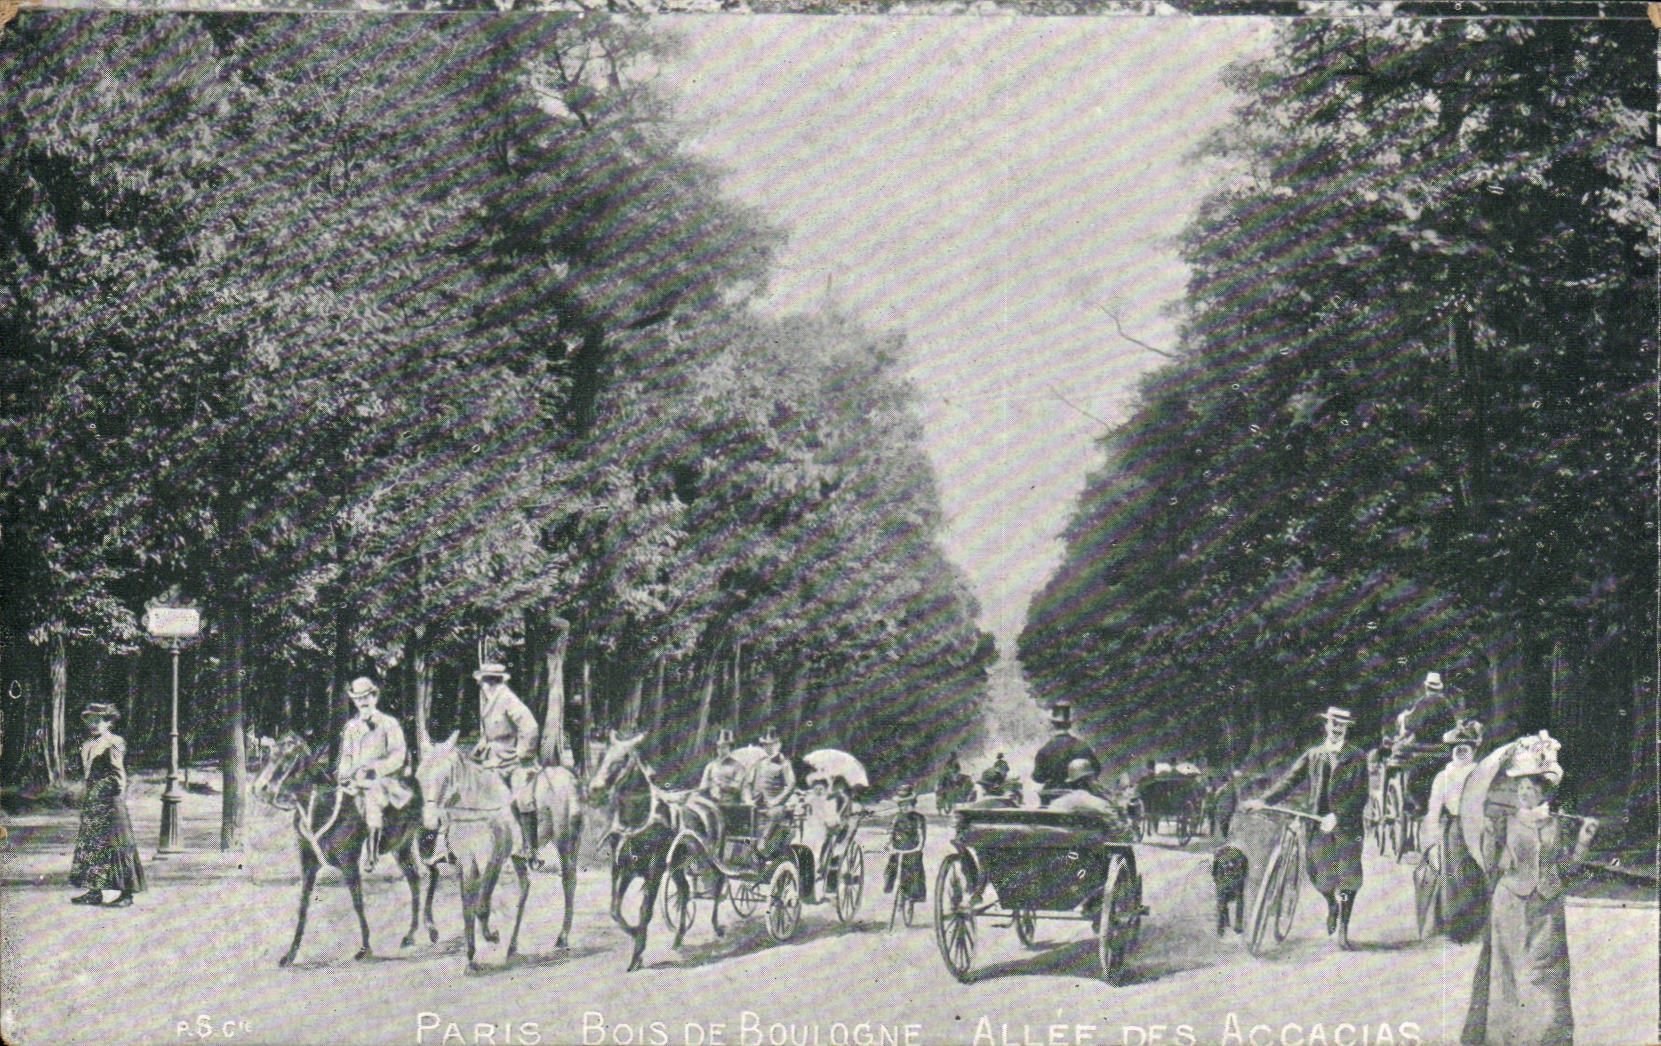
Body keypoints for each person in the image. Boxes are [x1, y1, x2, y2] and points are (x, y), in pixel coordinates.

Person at [1463, 732, 1596, 1046]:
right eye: (1519, 787)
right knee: (1506, 975)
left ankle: (1547, 1040)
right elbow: (1490, 864)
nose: (1523, 793)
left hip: (1547, 908)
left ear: (1543, 792)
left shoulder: (1557, 825)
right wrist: (1489, 837)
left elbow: (1567, 870)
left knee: (1546, 976)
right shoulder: (1504, 823)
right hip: (1509, 904)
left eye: (1530, 788)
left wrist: (1583, 843)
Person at [1242, 706, 1369, 949]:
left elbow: (1360, 794)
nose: (1336, 729)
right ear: (1326, 726)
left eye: (1341, 725)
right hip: (1317, 824)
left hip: (1347, 826)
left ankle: (1343, 928)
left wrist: (1339, 816)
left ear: (1346, 729)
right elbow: (1290, 780)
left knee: (1348, 877)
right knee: (1319, 874)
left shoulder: (1357, 757)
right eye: (1333, 723)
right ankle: (1332, 903)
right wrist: (1264, 801)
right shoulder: (1314, 755)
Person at [68, 703, 145, 907]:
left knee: (117, 844)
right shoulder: (87, 744)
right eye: (90, 720)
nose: (93, 725)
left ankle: (126, 895)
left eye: (98, 720)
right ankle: (94, 891)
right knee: (93, 844)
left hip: (110, 800)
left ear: (109, 722)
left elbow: (117, 775)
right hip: (94, 801)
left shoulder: (113, 742)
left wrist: (100, 792)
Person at [335, 677, 413, 873]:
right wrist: (344, 774)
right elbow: (347, 756)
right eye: (358, 698)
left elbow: (398, 754)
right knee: (337, 799)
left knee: (372, 797)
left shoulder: (389, 723)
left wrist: (376, 769)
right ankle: (340, 847)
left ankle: (372, 851)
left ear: (375, 696)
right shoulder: (351, 727)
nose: (363, 702)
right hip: (357, 778)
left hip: (385, 778)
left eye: (367, 697)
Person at [470, 661, 541, 861]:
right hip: (491, 757)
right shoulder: (490, 700)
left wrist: (520, 753)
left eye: (483, 682)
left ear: (490, 682)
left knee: (521, 799)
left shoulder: (508, 699)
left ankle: (529, 849)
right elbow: (491, 731)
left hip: (512, 760)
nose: (482, 686)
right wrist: (482, 744)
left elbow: (530, 727)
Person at [1422, 722, 1486, 942]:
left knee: (1477, 870)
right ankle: (1458, 926)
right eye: (1456, 746)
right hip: (1455, 829)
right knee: (1456, 873)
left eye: (1465, 746)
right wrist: (1431, 839)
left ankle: (1480, 924)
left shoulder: (1481, 774)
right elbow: (1433, 808)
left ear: (1473, 748)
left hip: (1478, 825)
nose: (1460, 750)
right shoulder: (1444, 777)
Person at [1048, 758, 1135, 840]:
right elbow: (1121, 833)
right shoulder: (1100, 804)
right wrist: (1123, 814)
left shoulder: (1056, 803)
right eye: (1094, 778)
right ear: (1088, 779)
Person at [743, 730, 796, 860]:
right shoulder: (759, 764)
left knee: (776, 813)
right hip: (757, 804)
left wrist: (777, 801)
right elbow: (747, 784)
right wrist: (748, 799)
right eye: (766, 745)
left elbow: (791, 785)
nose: (769, 748)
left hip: (774, 806)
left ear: (779, 745)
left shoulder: (784, 764)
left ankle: (764, 843)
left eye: (773, 744)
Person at [1032, 702, 1099, 800]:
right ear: (1069, 725)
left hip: (1052, 796)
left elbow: (1038, 777)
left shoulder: (1044, 750)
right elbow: (1096, 769)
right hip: (1078, 796)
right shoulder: (1081, 746)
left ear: (1053, 724)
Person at [883, 783, 926, 905]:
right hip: (898, 846)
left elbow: (921, 832)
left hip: (913, 848)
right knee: (891, 866)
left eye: (907, 805)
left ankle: (915, 895)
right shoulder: (897, 817)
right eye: (901, 806)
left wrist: (920, 846)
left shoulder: (918, 818)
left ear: (913, 804)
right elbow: (891, 831)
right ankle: (889, 884)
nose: (904, 808)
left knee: (914, 870)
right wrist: (889, 843)